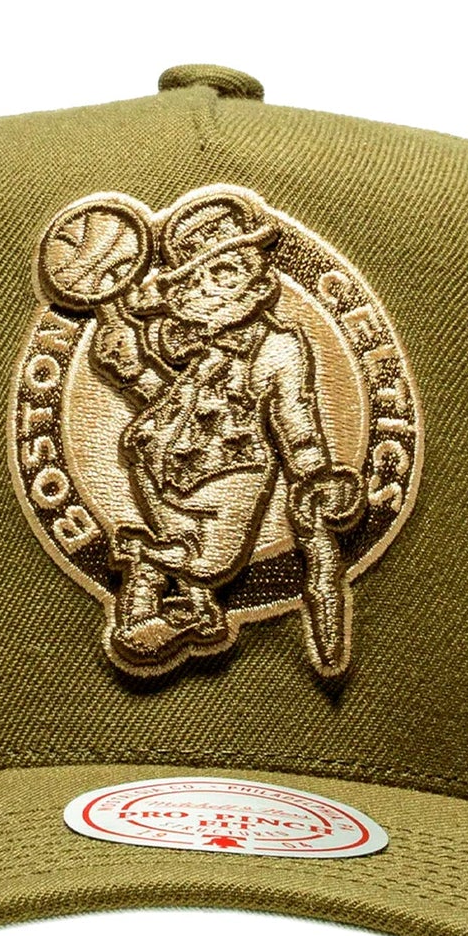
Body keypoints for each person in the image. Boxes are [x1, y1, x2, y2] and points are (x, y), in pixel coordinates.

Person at [88, 191, 364, 670]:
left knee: (209, 559)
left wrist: (313, 476)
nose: (206, 290)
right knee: (190, 553)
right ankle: (184, 598)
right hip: (164, 463)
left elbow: (294, 418)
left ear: (259, 284)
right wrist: (133, 372)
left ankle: (165, 578)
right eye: (193, 279)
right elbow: (180, 401)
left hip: (224, 477)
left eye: (223, 274)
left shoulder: (277, 347)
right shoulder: (200, 345)